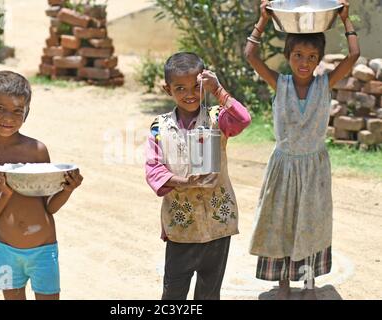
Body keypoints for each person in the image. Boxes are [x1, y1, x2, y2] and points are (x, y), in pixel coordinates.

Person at [244, 0, 360, 299]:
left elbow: (354, 55)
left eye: (311, 56)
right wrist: (262, 20)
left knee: (310, 224)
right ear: (288, 56)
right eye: (298, 55)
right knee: (280, 223)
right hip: (283, 169)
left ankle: (308, 285)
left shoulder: (325, 84)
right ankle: (282, 283)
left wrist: (346, 21)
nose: (304, 62)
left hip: (314, 169)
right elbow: (251, 55)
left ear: (320, 59)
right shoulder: (278, 83)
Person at [145, 52, 251, 299]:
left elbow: (243, 119)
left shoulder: (218, 118)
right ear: (167, 89)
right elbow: (153, 168)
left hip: (218, 224)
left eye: (197, 86)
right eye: (180, 88)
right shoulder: (159, 127)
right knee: (174, 292)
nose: (190, 93)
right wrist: (181, 182)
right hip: (182, 228)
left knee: (209, 293)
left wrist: (219, 90)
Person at [0, 71, 83, 300]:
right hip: (6, 252)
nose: (8, 117)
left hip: (44, 249)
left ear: (26, 114)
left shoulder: (37, 151)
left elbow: (49, 207)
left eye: (17, 110)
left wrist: (67, 188)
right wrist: (5, 194)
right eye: (0, 108)